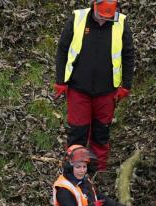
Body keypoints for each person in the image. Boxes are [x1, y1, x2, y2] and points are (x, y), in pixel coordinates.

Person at [54, 0, 135, 172]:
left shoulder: (121, 23)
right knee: (78, 132)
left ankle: (98, 171)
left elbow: (128, 55)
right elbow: (62, 49)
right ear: (94, 5)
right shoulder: (77, 19)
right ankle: (74, 170)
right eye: (101, 15)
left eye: (108, 16)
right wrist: (60, 81)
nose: (103, 20)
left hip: (106, 91)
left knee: (101, 132)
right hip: (78, 88)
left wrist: (126, 85)